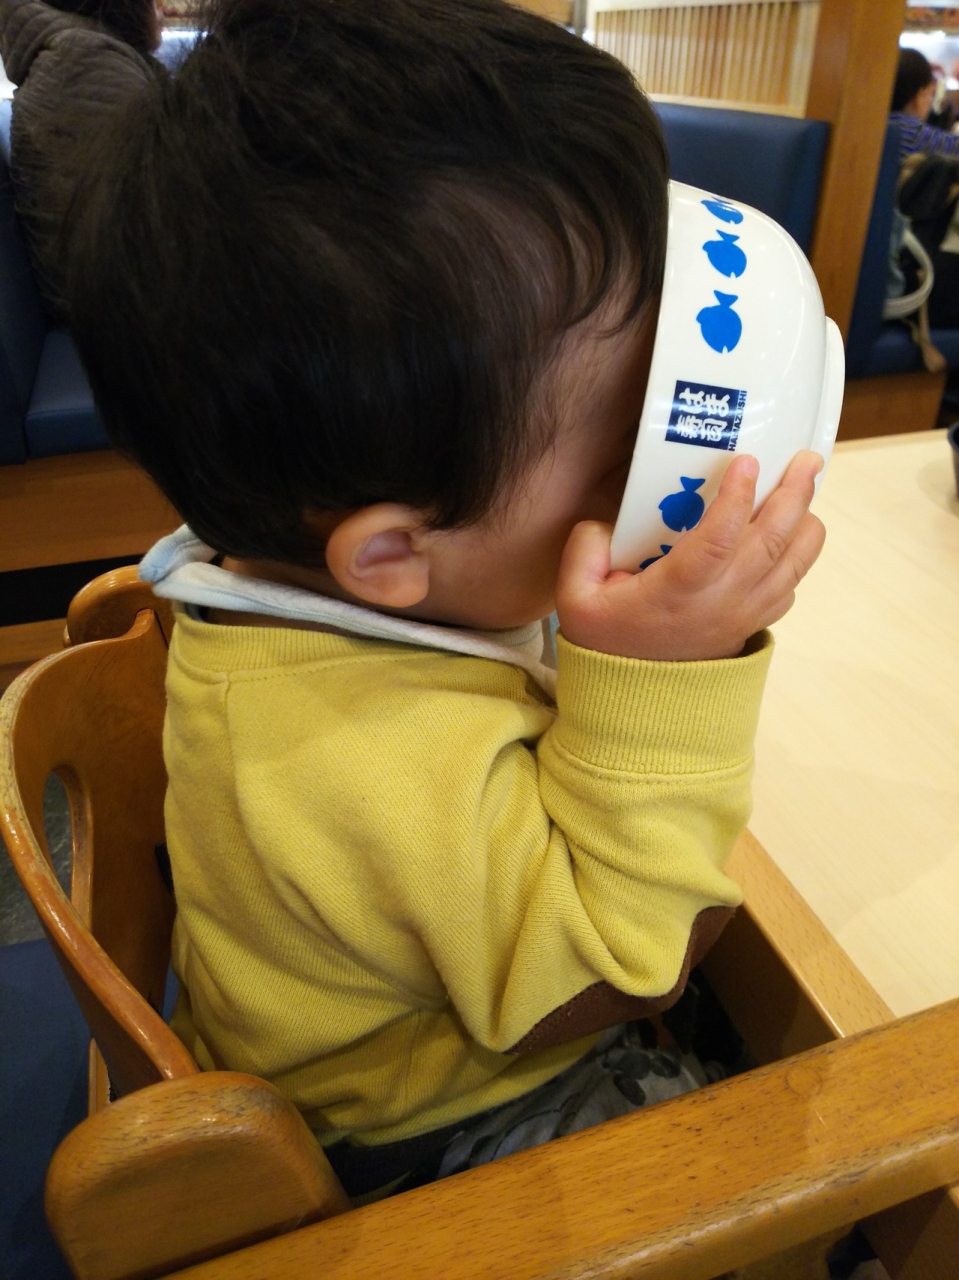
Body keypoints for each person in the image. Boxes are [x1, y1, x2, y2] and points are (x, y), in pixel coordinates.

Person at [62, 0, 825, 1201]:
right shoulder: (363, 754)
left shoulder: (296, 563)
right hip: (429, 1127)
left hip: (404, 994)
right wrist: (670, 675)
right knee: (773, 1142)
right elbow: (622, 972)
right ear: (390, 553)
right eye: (621, 446)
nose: (647, 474)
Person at [0, 0, 167, 315]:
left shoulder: (84, 52)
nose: (164, 6)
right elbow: (157, 231)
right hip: (123, 312)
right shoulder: (85, 62)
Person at [890, 47, 959, 162]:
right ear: (919, 96)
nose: (930, 102)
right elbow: (954, 147)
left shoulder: (876, 124)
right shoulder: (914, 133)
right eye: (930, 94)